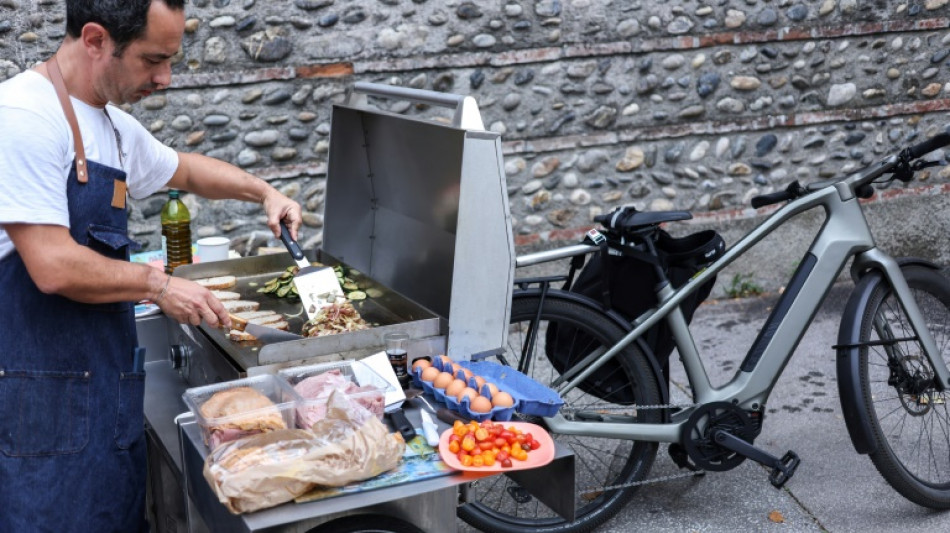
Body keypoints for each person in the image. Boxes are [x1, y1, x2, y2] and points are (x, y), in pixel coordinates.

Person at [0, 0, 304, 530]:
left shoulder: (111, 127)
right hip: (41, 411)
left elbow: (186, 169)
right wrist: (158, 285)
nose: (165, 79)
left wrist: (265, 192)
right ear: (95, 39)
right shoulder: (24, 117)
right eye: (153, 59)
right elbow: (52, 264)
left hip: (105, 398)